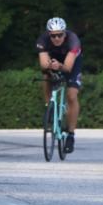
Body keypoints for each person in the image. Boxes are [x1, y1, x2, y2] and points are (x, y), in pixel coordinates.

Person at [36, 16, 82, 153]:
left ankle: (71, 135)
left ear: (65, 33)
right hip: (54, 61)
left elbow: (67, 67)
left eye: (60, 35)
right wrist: (50, 66)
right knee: (45, 74)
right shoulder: (42, 40)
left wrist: (60, 66)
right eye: (53, 36)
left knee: (72, 95)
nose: (56, 38)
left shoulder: (73, 40)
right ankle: (48, 106)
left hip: (71, 63)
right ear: (48, 34)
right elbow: (44, 64)